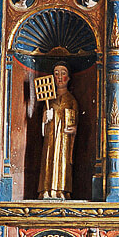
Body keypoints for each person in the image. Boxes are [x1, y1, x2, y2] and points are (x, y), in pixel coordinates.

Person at [38, 64, 78, 199]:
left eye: (63, 73)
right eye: (56, 73)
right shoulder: (49, 99)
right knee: (48, 159)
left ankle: (62, 190)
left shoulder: (71, 100)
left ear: (69, 78)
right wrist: (45, 118)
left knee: (63, 161)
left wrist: (73, 129)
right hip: (50, 136)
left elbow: (75, 121)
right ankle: (46, 189)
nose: (60, 77)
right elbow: (43, 124)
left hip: (64, 137)